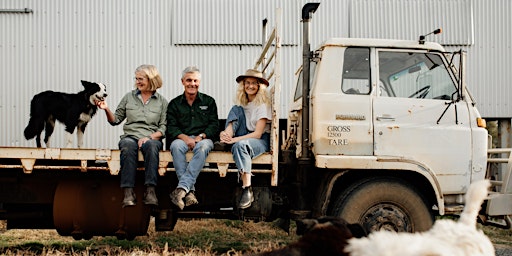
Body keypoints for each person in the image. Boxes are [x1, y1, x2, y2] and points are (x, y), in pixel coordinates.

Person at [97, 64, 168, 207]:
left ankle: (150, 191)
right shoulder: (128, 97)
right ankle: (128, 192)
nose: (137, 82)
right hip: (131, 136)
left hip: (151, 138)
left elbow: (164, 128)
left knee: (152, 147)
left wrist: (149, 137)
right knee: (128, 146)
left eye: (141, 79)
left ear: (151, 79)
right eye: (136, 79)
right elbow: (115, 120)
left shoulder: (162, 102)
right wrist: (106, 109)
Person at [217, 69, 272, 209]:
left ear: (260, 86)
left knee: (239, 146)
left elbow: (258, 134)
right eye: (247, 82)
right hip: (243, 134)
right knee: (236, 109)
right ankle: (225, 137)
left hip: (260, 139)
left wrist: (235, 140)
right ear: (243, 85)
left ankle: (247, 188)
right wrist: (227, 134)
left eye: (254, 83)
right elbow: (236, 120)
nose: (250, 86)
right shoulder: (243, 103)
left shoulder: (262, 105)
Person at [167, 66, 219, 210]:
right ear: (182, 81)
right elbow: (171, 127)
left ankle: (181, 189)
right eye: (189, 80)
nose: (192, 83)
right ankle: (189, 192)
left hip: (203, 139)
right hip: (182, 139)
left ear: (199, 82)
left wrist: (200, 137)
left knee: (203, 147)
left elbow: (214, 125)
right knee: (176, 146)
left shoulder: (209, 101)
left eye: (195, 80)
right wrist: (185, 138)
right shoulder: (174, 104)